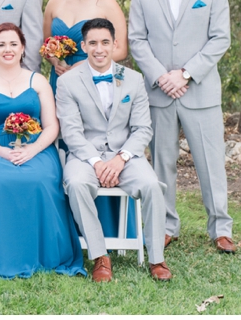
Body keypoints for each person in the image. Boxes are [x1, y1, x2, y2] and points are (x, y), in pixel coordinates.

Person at [128, 0, 235, 254]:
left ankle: (220, 228)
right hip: (159, 93)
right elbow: (137, 39)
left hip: (199, 92)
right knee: (162, 164)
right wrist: (163, 77)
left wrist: (185, 74)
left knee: (211, 164)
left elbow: (221, 38)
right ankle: (165, 226)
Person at [56, 18, 172, 282]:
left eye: (105, 42)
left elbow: (143, 128)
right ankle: (100, 257)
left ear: (115, 44)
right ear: (84, 46)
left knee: (152, 185)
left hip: (126, 155)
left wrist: (120, 159)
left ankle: (156, 259)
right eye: (93, 43)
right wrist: (97, 162)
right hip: (85, 156)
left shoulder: (133, 79)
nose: (99, 49)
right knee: (75, 184)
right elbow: (71, 133)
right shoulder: (68, 82)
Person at [0, 23, 85, 279]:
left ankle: (48, 255)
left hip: (37, 148)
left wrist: (33, 150)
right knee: (2, 181)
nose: (7, 49)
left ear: (22, 48)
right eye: (1, 45)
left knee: (40, 179)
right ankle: (8, 255)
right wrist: (1, 151)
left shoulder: (38, 80)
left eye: (13, 44)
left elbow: (52, 126)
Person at [43, 0, 133, 240]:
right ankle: (66, 226)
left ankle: (104, 227)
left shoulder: (107, 3)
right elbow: (47, 44)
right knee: (63, 145)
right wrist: (56, 60)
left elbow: (119, 49)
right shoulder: (55, 3)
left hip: (94, 84)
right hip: (60, 83)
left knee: (92, 139)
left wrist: (82, 65)